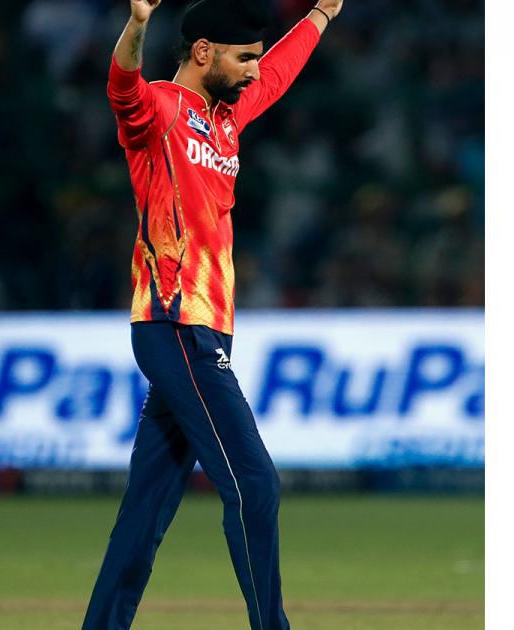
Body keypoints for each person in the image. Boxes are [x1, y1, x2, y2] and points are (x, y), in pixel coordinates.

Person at [82, 1, 342, 628]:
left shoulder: (226, 118)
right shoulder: (161, 110)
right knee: (255, 484)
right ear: (203, 52)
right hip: (176, 323)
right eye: (243, 58)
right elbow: (122, 86)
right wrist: (137, 25)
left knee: (146, 509)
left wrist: (321, 13)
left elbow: (277, 73)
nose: (254, 71)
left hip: (206, 329)